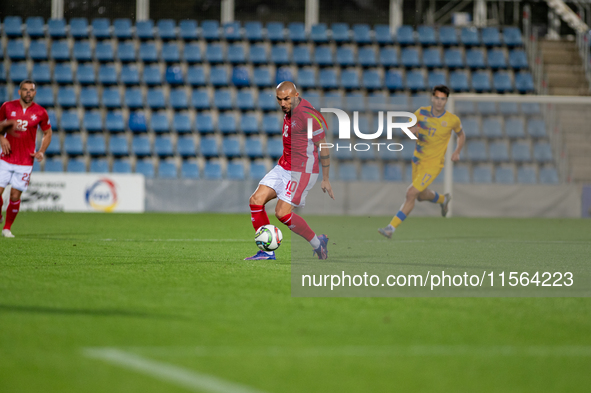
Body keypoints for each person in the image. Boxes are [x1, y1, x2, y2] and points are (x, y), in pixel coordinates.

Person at [245, 81, 334, 260]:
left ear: (296, 95)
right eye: (279, 100)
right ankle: (267, 252)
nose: (283, 103)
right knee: (255, 200)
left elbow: (323, 146)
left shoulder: (308, 116)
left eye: (286, 99)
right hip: (284, 166)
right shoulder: (289, 110)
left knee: (282, 213)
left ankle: (318, 244)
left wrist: (326, 178)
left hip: (302, 171)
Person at [378, 85, 465, 239]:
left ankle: (391, 227)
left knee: (410, 193)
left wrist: (457, 151)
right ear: (432, 98)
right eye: (437, 98)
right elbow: (407, 129)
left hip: (434, 164)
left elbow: (461, 135)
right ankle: (443, 199)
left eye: (443, 99)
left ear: (446, 100)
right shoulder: (421, 112)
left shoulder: (452, 120)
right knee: (420, 195)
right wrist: (412, 131)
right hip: (418, 161)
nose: (439, 102)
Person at [0, 80, 52, 238]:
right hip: (5, 158)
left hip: (25, 162)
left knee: (15, 196)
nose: (28, 92)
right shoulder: (7, 107)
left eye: (31, 90)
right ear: (19, 91)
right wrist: (1, 138)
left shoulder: (41, 112)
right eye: (25, 89)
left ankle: (7, 228)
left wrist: (41, 151)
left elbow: (48, 133)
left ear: (35, 93)